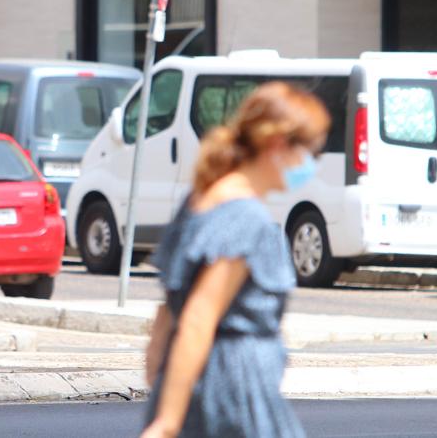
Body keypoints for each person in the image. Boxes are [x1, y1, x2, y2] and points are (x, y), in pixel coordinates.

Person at [141, 82, 330, 438]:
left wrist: (163, 390)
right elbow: (199, 318)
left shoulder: (202, 198)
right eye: (309, 151)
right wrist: (166, 422)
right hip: (235, 393)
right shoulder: (246, 218)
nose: (311, 163)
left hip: (203, 385)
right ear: (277, 145)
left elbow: (169, 310)